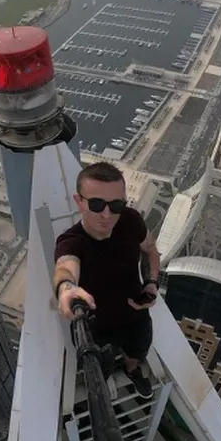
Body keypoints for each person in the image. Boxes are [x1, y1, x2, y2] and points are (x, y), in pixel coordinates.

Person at [53, 162, 161, 398]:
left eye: (116, 205)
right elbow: (66, 267)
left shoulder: (131, 220)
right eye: (96, 204)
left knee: (137, 353)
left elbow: (150, 250)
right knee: (100, 368)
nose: (107, 214)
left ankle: (132, 371)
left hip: (135, 312)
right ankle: (106, 377)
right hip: (96, 325)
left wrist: (152, 283)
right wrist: (66, 289)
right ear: (79, 201)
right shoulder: (72, 242)